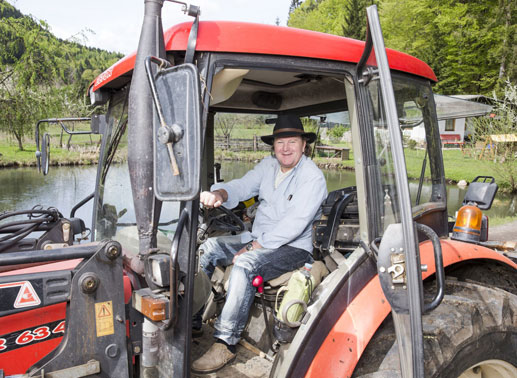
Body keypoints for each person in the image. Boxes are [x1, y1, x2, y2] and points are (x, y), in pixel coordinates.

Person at [191, 114, 327, 374]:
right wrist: (221, 193)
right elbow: (242, 186)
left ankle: (225, 342)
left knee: (244, 264)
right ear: (273, 145)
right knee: (207, 249)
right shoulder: (268, 167)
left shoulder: (312, 178)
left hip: (293, 249)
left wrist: (254, 247)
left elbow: (293, 226)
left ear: (303, 145)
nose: (286, 148)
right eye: (280, 142)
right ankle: (194, 318)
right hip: (258, 238)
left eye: (292, 141)